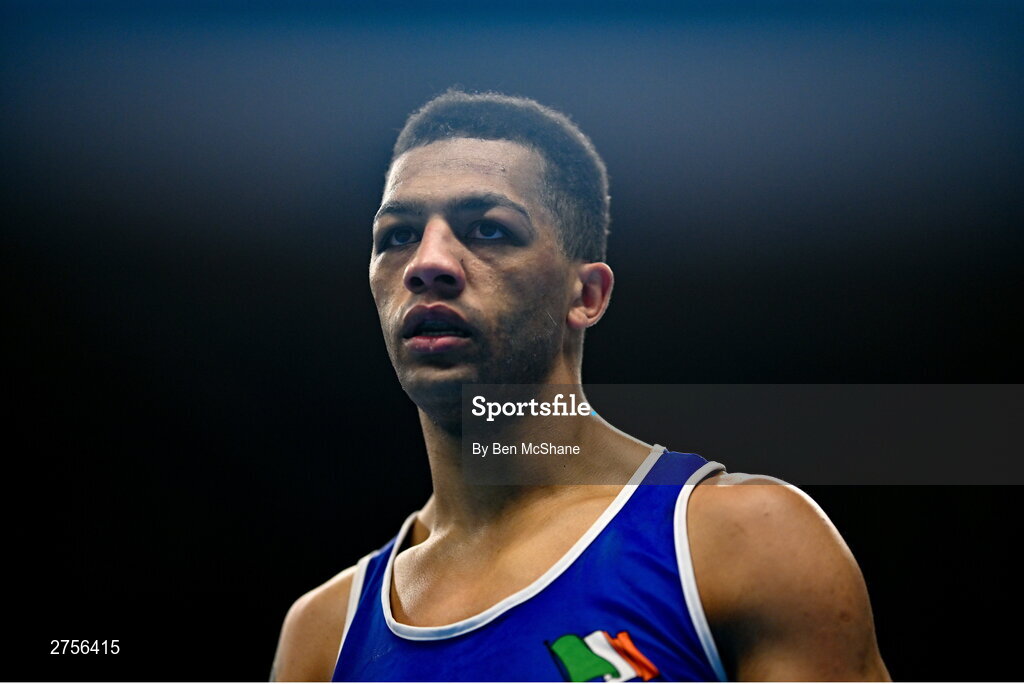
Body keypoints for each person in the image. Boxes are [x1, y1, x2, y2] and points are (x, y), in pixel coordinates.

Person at [271, 90, 889, 682]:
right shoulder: (322, 636)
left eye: (487, 229)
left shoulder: (743, 542)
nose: (427, 263)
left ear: (587, 295)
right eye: (398, 235)